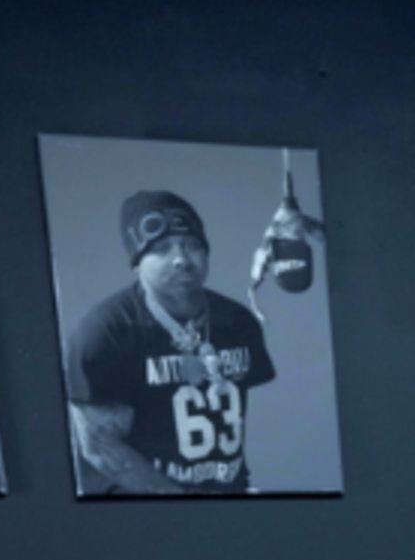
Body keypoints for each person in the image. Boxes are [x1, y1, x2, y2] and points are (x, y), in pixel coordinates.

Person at [64, 189, 287, 495]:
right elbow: (101, 449)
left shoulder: (237, 321)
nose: (181, 259)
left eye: (193, 245)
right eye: (162, 248)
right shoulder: (106, 331)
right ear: (137, 261)